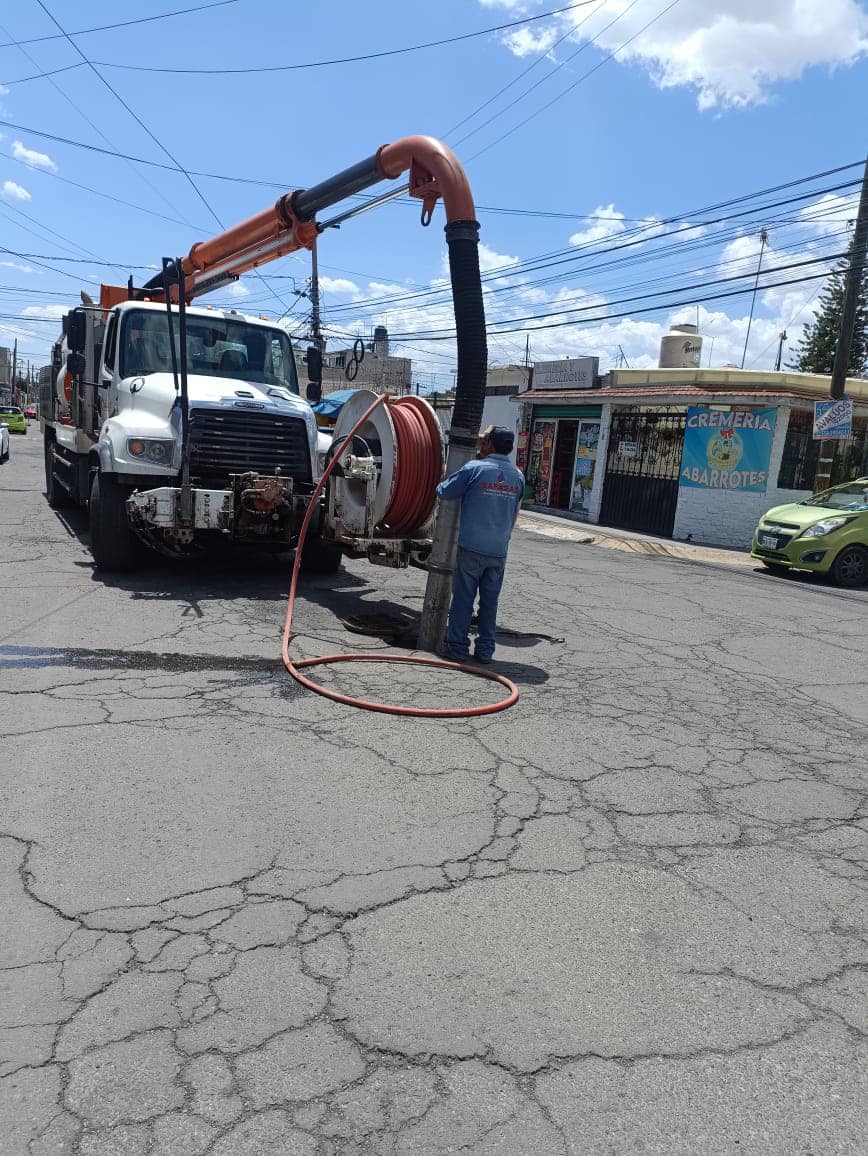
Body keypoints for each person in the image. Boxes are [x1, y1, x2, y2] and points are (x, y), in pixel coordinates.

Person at [436, 424, 525, 664]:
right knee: (489, 602)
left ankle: (457, 646)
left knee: (463, 599)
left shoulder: (475, 468)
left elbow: (444, 491)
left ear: (488, 444)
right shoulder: (518, 476)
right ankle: (485, 649)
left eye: (484, 439)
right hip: (498, 551)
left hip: (472, 548)